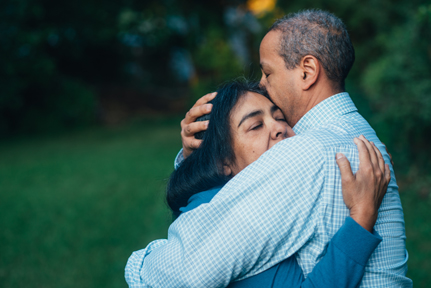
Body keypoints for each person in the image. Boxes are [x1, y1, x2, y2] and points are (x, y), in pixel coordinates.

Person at [129, 9, 411, 287]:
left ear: (307, 72)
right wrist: (198, 157)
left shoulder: (306, 153)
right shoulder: (357, 135)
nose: (262, 85)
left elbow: (184, 271)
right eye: (255, 124)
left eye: (267, 72)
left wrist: (139, 263)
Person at [126, 80, 389, 287]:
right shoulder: (244, 224)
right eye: (255, 126)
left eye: (280, 117)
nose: (278, 128)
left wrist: (190, 158)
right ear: (223, 162)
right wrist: (361, 218)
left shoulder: (211, 198)